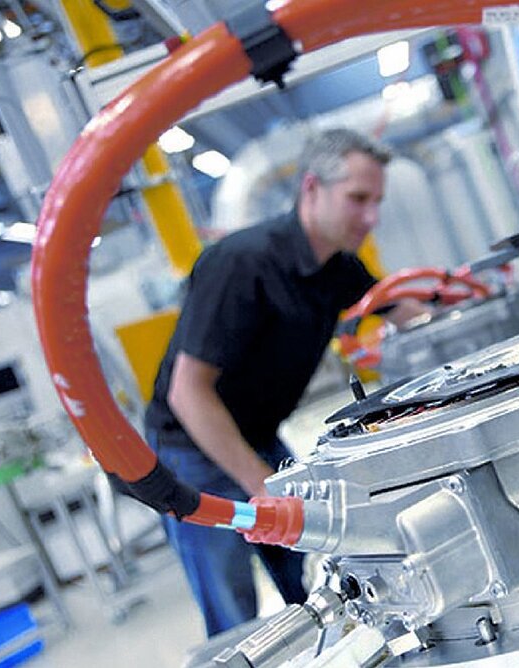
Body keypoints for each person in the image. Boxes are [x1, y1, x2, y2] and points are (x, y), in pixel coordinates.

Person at [143, 128, 427, 636]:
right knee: (231, 603)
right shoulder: (241, 263)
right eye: (358, 199)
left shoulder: (337, 266)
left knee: (312, 573)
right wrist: (262, 486)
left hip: (256, 434)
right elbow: (188, 392)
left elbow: (398, 306)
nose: (371, 217)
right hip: (192, 449)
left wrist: (464, 308)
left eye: (377, 201)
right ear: (312, 188)